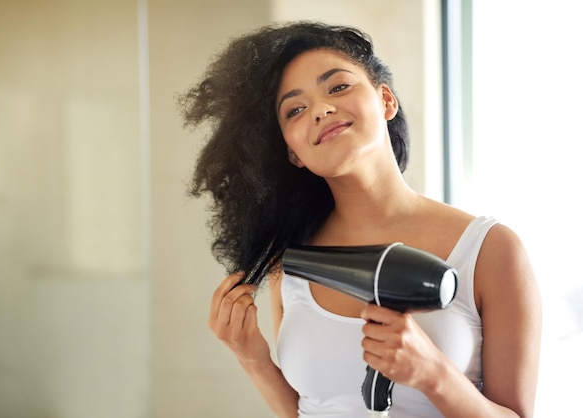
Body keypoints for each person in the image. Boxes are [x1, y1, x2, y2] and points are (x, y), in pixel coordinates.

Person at [179, 21, 541, 418]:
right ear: (293, 153)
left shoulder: (488, 250)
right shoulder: (294, 260)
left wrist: (434, 375)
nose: (321, 109)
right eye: (295, 109)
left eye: (337, 87)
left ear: (386, 100)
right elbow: (309, 411)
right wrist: (253, 358)